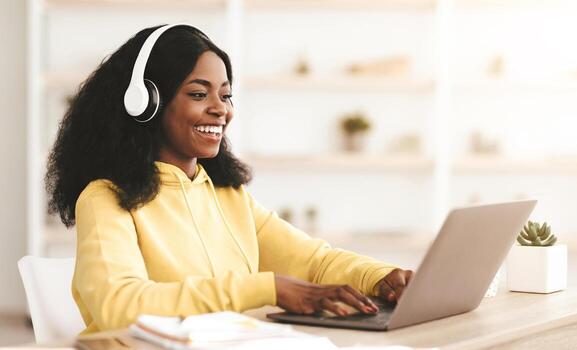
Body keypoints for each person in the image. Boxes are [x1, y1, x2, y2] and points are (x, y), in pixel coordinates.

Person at [45, 24, 413, 334]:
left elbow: (315, 262)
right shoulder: (105, 198)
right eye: (199, 93)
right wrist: (266, 288)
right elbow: (118, 306)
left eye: (226, 95)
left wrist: (380, 277)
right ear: (146, 103)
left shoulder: (227, 196)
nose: (221, 109)